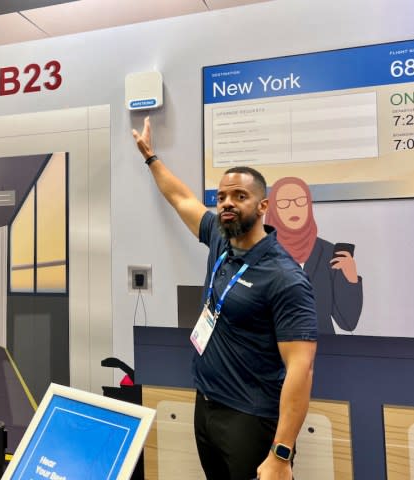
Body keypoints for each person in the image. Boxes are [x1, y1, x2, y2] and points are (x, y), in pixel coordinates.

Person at [131, 117, 317, 480]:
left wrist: (281, 453)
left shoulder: (285, 277)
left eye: (240, 196)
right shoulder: (221, 240)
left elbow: (301, 368)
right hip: (207, 404)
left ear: (263, 206)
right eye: (222, 197)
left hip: (251, 417)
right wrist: (151, 157)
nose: (228, 203)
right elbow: (181, 197)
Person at [265, 177, 362, 334]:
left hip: (322, 350)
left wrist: (351, 279)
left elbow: (348, 323)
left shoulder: (329, 253)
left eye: (300, 201)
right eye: (284, 203)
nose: (294, 208)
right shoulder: (260, 254)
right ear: (273, 210)